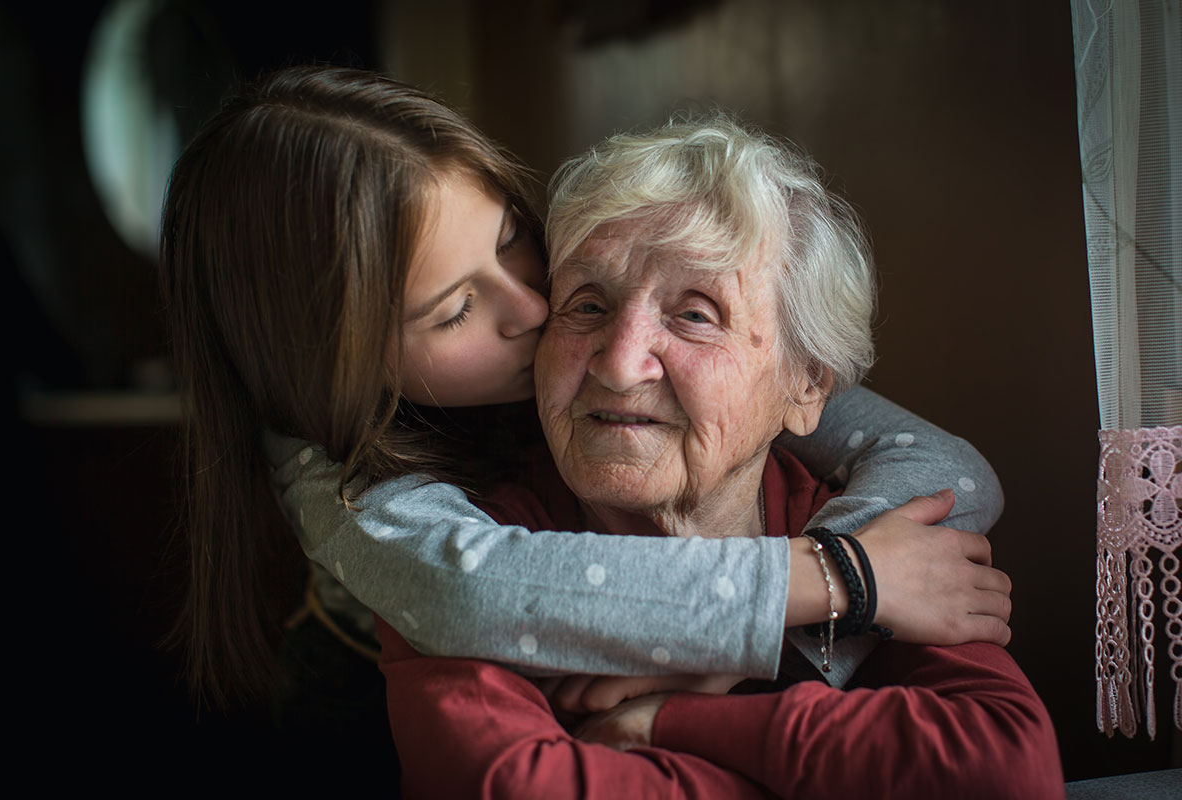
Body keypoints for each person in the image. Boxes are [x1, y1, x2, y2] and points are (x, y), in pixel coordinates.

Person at [161, 65, 1007, 718]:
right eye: (456, 309)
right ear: (337, 367)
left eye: (512, 241)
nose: (535, 307)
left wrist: (789, 643)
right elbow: (472, 592)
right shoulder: (343, 483)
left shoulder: (618, 348)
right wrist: (838, 578)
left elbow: (948, 472)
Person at [373, 114, 1063, 798]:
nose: (618, 364)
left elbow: (1005, 770)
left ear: (806, 385)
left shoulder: (875, 535)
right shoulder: (476, 553)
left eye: (695, 315)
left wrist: (671, 722)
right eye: (586, 305)